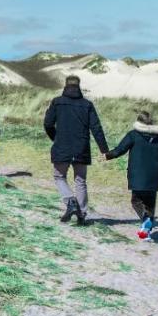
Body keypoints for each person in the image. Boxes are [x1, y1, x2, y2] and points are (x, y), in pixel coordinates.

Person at [43, 75, 108, 225]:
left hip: (62, 146)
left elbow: (47, 123)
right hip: (81, 148)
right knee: (80, 180)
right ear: (79, 86)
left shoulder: (57, 102)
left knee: (59, 176)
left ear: (65, 85)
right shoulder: (87, 105)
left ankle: (70, 201)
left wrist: (55, 138)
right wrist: (104, 150)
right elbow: (96, 128)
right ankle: (82, 214)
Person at [104, 110, 158, 240]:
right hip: (153, 177)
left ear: (138, 122)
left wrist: (108, 155)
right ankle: (146, 233)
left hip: (137, 175)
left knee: (136, 201)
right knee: (150, 204)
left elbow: (120, 149)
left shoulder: (133, 135)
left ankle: (145, 220)